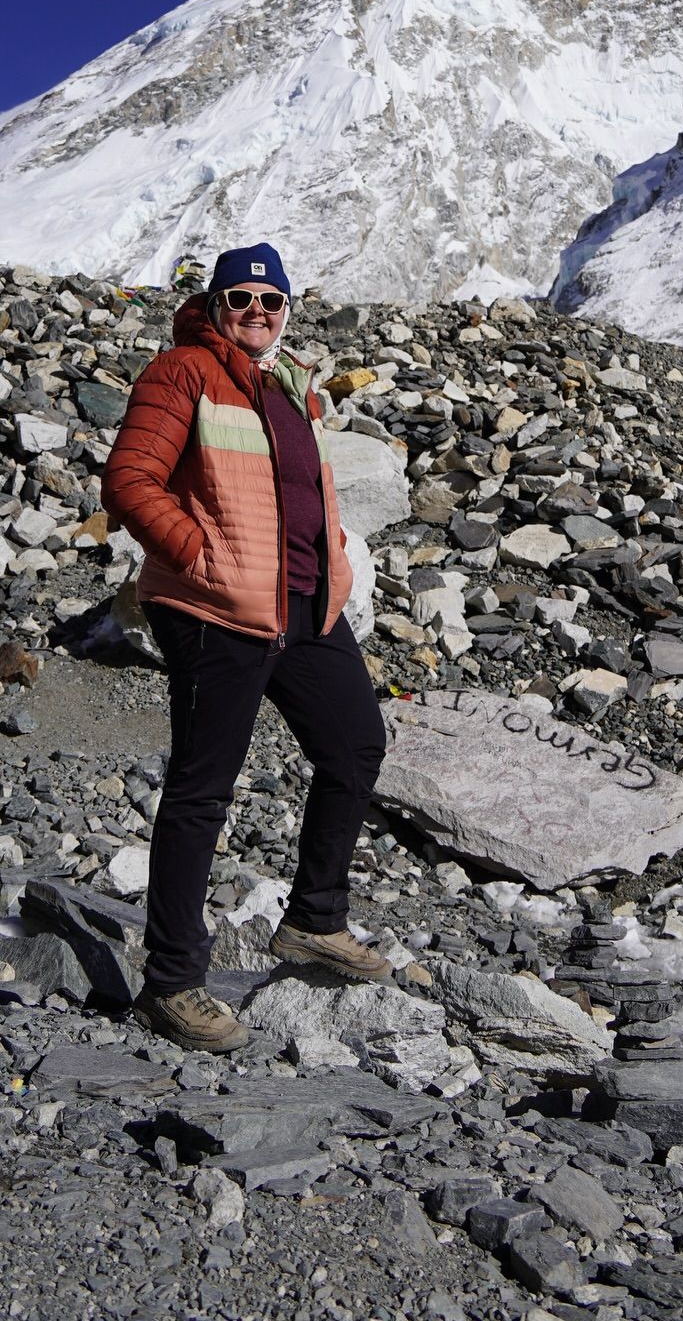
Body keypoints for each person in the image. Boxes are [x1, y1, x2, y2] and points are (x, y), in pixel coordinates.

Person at [102, 241, 390, 1052]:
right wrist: (199, 558)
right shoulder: (182, 372)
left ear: (288, 309)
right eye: (241, 300)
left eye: (271, 301)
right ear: (216, 305)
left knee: (356, 743)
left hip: (301, 605)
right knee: (203, 789)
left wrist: (331, 557)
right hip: (214, 609)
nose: (257, 313)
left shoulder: (293, 386)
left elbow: (303, 494)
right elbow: (129, 482)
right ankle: (172, 983)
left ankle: (313, 920)